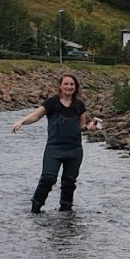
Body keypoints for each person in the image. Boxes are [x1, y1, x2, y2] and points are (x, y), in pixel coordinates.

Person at [11, 73, 95, 213]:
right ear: (60, 86)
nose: (69, 87)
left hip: (74, 149)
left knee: (69, 182)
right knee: (48, 178)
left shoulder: (79, 105)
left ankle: (66, 210)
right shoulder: (52, 103)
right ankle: (35, 208)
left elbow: (82, 126)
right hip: (54, 148)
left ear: (76, 87)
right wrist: (21, 122)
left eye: (72, 84)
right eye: (66, 84)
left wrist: (90, 127)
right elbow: (36, 116)